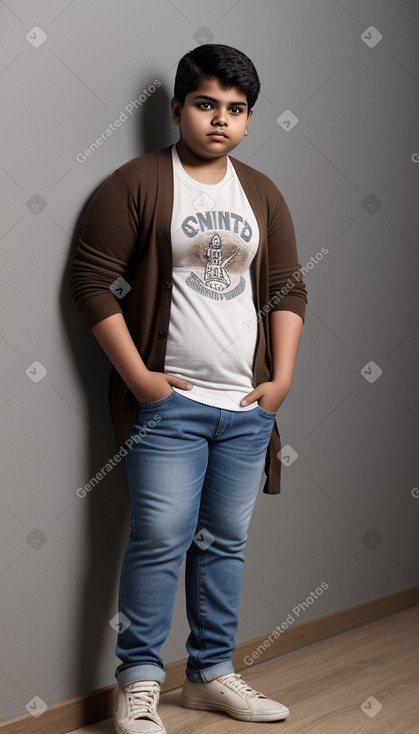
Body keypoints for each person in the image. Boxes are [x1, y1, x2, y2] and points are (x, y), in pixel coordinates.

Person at [71, 43, 307, 734]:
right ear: (176, 108)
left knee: (224, 541)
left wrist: (280, 380)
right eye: (205, 105)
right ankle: (139, 683)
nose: (219, 121)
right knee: (160, 538)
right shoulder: (136, 183)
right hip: (169, 408)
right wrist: (141, 381)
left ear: (247, 119)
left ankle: (209, 674)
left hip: (245, 407)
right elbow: (91, 285)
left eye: (236, 110)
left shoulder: (260, 191)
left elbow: (289, 287)